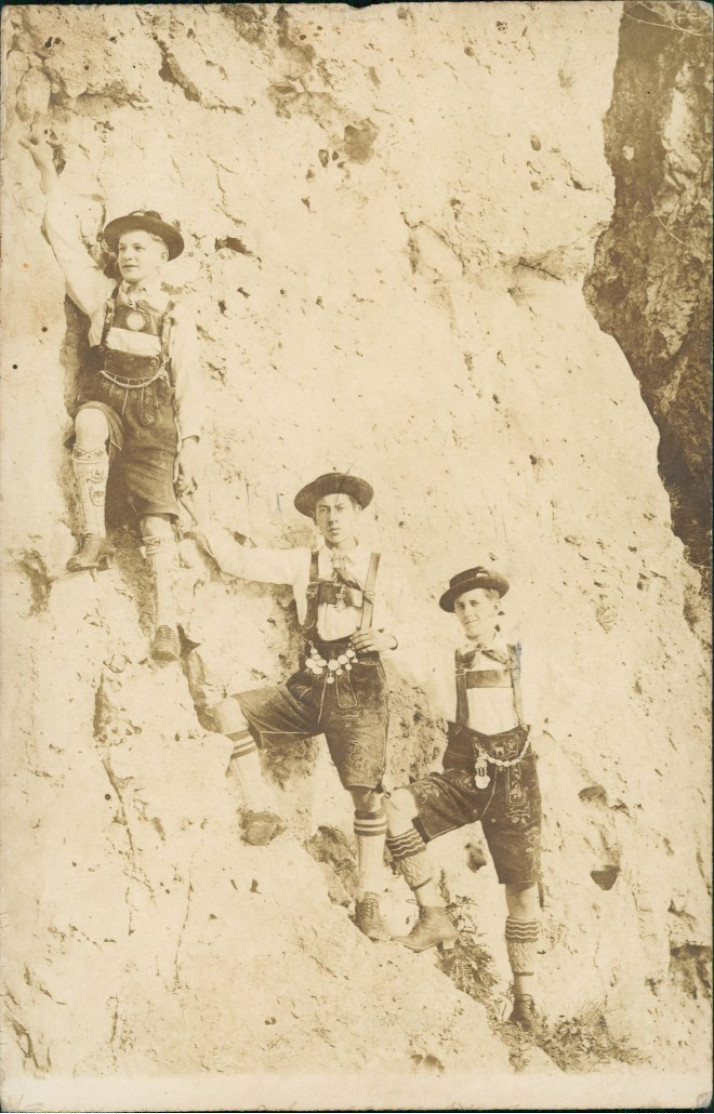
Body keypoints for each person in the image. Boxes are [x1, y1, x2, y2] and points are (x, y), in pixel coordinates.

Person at [190, 472, 408, 941]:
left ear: (357, 515)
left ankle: (369, 899)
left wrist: (389, 638)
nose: (332, 518)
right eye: (323, 510)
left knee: (366, 794)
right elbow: (239, 561)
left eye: (340, 509)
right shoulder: (299, 563)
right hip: (309, 685)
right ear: (314, 518)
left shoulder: (381, 565)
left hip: (361, 690)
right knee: (229, 711)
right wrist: (196, 519)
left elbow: (418, 632)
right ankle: (259, 810)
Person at [22, 131, 202, 662]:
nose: (128, 255)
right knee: (90, 426)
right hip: (106, 397)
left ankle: (167, 625)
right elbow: (63, 242)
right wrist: (47, 176)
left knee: (157, 524)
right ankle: (92, 534)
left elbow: (190, 378)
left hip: (152, 417)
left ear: (162, 255)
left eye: (139, 248)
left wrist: (189, 442)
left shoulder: (176, 311)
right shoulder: (101, 296)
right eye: (122, 248)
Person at [384, 566, 553, 1031]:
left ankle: (526, 1003)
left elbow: (554, 712)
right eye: (460, 605)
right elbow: (406, 656)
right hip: (464, 774)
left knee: (522, 892)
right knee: (395, 806)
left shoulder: (529, 654)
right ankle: (433, 914)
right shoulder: (447, 655)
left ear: (497, 606)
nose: (468, 612)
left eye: (477, 602)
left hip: (516, 781)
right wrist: (388, 642)